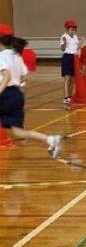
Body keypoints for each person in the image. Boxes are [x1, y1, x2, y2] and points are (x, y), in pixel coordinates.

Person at [0, 25, 62, 157]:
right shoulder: (16, 55)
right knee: (17, 132)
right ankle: (50, 140)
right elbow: (24, 75)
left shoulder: (2, 56)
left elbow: (6, 76)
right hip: (16, 94)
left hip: (6, 94)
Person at [60, 19, 85, 104]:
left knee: (73, 79)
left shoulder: (75, 36)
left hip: (75, 57)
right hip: (67, 57)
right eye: (71, 29)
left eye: (74, 29)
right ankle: (66, 97)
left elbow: (77, 48)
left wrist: (82, 41)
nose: (73, 31)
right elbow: (62, 49)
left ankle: (70, 96)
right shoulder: (64, 37)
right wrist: (64, 43)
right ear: (67, 29)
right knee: (67, 78)